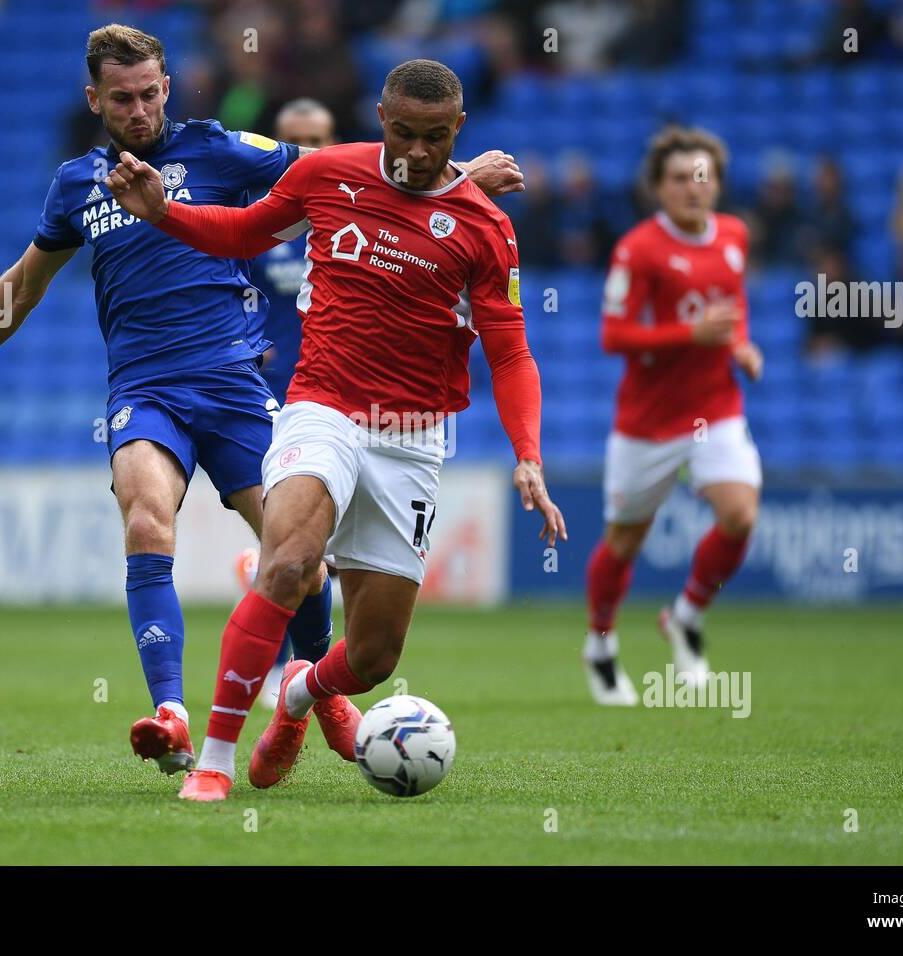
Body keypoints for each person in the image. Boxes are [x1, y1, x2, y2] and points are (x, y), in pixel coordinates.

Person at [0, 26, 524, 782]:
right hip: (143, 388)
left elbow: (347, 172)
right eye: (121, 98)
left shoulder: (220, 149)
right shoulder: (76, 184)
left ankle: (318, 698)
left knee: (295, 561)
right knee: (144, 518)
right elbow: (24, 283)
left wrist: (458, 174)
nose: (138, 111)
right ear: (93, 98)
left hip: (235, 384)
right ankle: (170, 713)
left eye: (149, 94)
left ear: (166, 88)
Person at [105, 57, 565, 802]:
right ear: (381, 118)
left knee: (377, 655)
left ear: (460, 130)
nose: (417, 154)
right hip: (322, 406)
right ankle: (216, 761)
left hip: (413, 433)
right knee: (287, 564)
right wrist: (164, 213)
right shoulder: (329, 174)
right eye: (404, 134)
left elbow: (511, 351)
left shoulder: (487, 229)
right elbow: (244, 233)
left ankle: (298, 695)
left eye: (436, 139)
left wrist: (529, 456)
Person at [582, 126, 763, 705]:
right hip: (649, 420)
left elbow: (733, 310)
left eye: (704, 177)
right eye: (681, 178)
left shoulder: (735, 236)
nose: (694, 188)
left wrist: (740, 346)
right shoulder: (638, 249)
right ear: (659, 187)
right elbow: (613, 336)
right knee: (625, 541)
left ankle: (686, 613)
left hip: (717, 406)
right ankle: (601, 644)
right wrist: (691, 333)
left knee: (739, 515)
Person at [248, 97, 339, 709]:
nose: (306, 149)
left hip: (345, 396)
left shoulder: (357, 225)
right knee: (297, 542)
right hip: (275, 400)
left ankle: (311, 665)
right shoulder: (259, 227)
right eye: (293, 139)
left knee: (322, 549)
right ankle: (294, 665)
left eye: (318, 139)